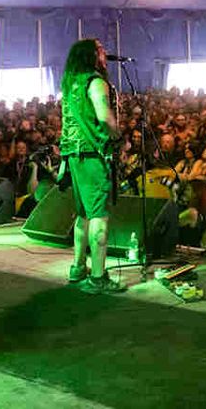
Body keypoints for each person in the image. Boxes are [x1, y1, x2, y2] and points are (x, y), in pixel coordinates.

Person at [59, 39, 124, 294]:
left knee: (83, 214)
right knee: (98, 215)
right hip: (92, 155)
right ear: (91, 56)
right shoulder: (95, 82)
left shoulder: (71, 83)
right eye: (100, 51)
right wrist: (118, 134)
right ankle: (98, 277)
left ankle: (78, 268)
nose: (105, 54)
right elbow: (103, 117)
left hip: (73, 156)